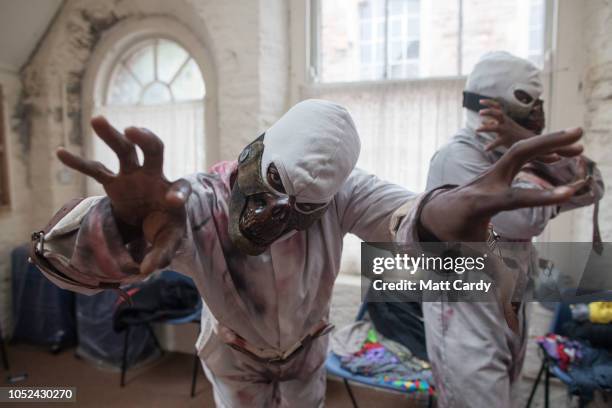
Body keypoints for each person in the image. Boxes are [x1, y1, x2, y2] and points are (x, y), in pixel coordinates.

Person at [30, 98, 587, 407]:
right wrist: (121, 229)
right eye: (273, 184)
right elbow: (65, 264)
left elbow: (404, 216)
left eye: (302, 208)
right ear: (256, 150)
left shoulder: (346, 193)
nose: (274, 217)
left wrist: (450, 212)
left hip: (305, 356)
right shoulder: (192, 203)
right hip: (235, 360)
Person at [423, 51, 605, 408]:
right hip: (465, 315)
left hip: (509, 307)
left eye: (539, 101)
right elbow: (525, 218)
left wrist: (526, 146)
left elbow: (594, 185)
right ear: (489, 104)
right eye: (526, 100)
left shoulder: (515, 156)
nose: (537, 111)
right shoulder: (456, 159)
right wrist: (539, 166)